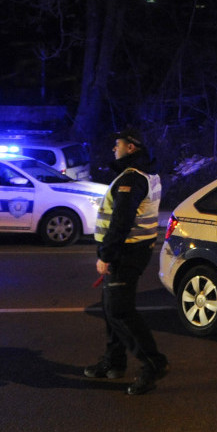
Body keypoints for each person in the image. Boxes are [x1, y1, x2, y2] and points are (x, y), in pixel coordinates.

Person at [83, 127, 168, 395]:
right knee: (111, 309)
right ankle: (114, 362)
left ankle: (153, 363)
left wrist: (106, 256)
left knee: (120, 310)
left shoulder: (132, 179)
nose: (113, 148)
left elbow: (121, 222)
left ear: (131, 147)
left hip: (125, 253)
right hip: (132, 250)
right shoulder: (145, 174)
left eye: (117, 143)